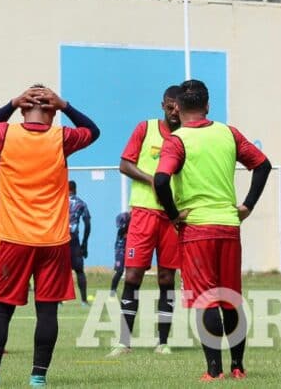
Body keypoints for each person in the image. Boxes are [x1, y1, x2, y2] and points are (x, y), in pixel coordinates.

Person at [0, 85, 99, 387]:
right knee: (47, 309)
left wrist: (11, 101)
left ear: (22, 109)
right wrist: (66, 105)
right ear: (53, 111)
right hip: (54, 241)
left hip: (14, 238)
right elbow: (92, 130)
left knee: (2, 308)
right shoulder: (62, 138)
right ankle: (37, 377)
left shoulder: (5, 135)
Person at [154, 79, 271, 381]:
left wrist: (172, 215)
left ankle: (214, 370)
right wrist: (248, 206)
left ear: (177, 108)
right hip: (229, 226)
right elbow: (263, 165)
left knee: (206, 300)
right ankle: (238, 367)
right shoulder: (228, 133)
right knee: (230, 297)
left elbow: (161, 180)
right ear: (207, 106)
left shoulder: (177, 140)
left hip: (196, 229)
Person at [111, 85, 182, 357]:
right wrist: (155, 181)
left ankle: (162, 342)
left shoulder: (187, 136)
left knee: (167, 277)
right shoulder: (146, 129)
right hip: (143, 212)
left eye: (179, 107)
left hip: (172, 216)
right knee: (133, 275)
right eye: (170, 106)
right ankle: (124, 342)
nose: (174, 112)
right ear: (162, 105)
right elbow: (124, 164)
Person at [68, 181, 91, 306]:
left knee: (60, 270)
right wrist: (85, 243)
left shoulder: (59, 201)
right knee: (79, 270)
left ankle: (58, 301)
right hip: (73, 238)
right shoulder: (81, 203)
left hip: (60, 238)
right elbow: (87, 223)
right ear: (75, 189)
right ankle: (83, 300)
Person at [110, 212, 130, 295]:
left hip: (129, 249)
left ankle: (129, 293)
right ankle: (112, 291)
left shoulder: (134, 224)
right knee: (119, 271)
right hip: (120, 249)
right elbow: (122, 232)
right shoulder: (121, 230)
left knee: (132, 271)